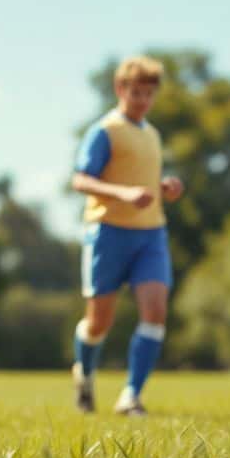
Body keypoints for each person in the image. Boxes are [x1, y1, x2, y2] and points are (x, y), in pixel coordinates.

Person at [69, 56, 184, 416]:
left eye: (149, 94)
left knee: (156, 311)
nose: (143, 101)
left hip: (151, 234)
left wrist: (164, 187)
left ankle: (131, 395)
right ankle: (84, 374)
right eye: (136, 93)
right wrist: (124, 194)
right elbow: (80, 180)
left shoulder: (152, 134)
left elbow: (145, 179)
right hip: (108, 234)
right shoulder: (105, 130)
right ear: (121, 89)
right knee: (99, 322)